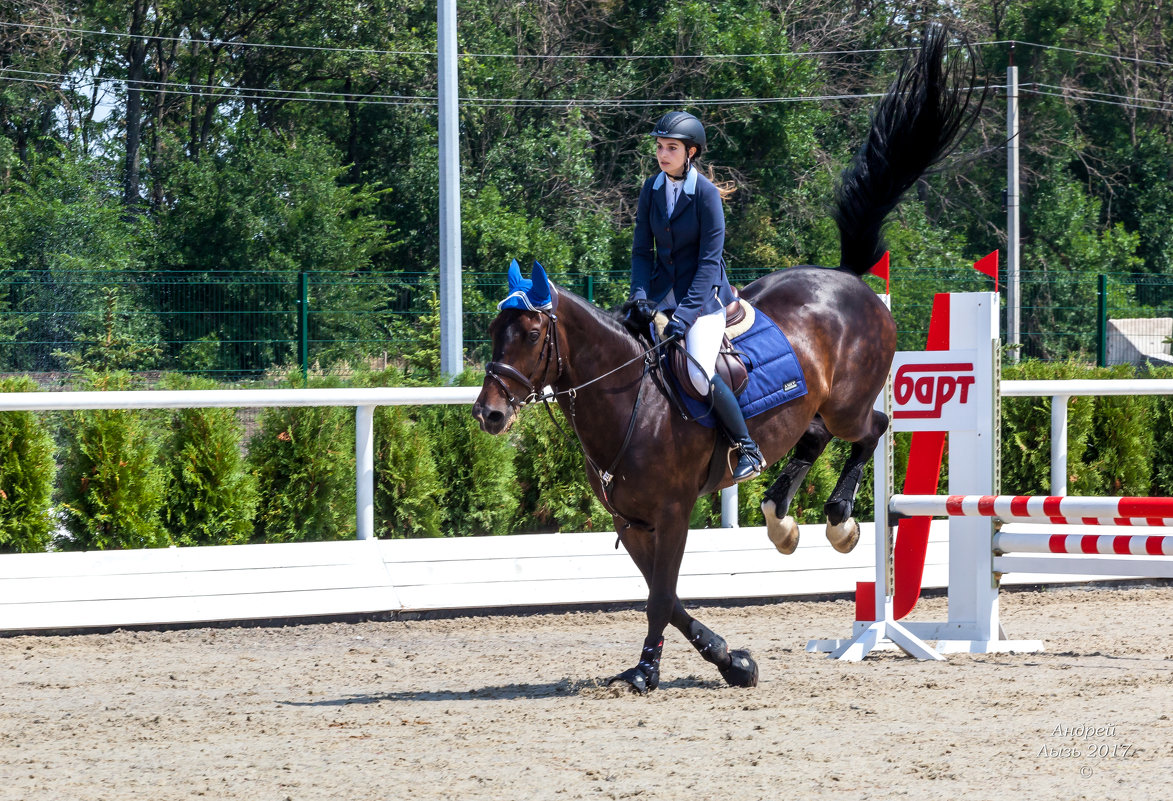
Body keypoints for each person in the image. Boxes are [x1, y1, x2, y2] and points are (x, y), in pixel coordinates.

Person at [622, 111, 764, 482]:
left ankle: (747, 447)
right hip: (659, 296)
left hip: (703, 302)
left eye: (671, 148)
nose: (662, 154)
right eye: (659, 147)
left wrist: (684, 316)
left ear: (691, 153)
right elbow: (641, 251)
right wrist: (639, 296)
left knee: (699, 374)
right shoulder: (651, 189)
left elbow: (708, 262)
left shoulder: (704, 195)